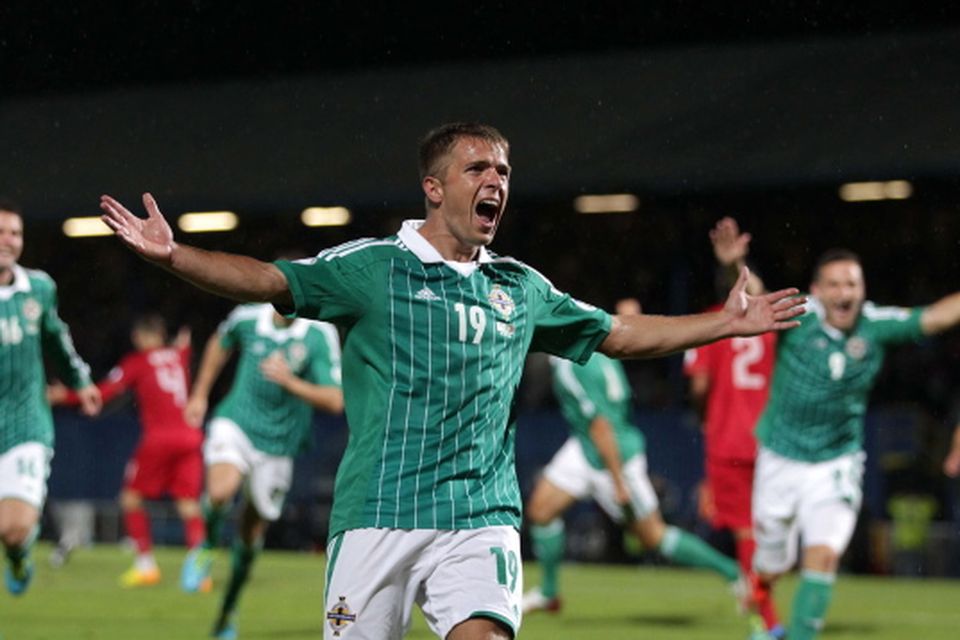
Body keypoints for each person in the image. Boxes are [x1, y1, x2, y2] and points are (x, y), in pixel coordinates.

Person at [99, 122, 803, 640]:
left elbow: (614, 336)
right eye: (476, 168)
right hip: (377, 511)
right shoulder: (372, 268)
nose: (495, 179)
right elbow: (270, 280)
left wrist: (723, 323)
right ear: (434, 189)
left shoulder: (520, 287)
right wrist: (174, 256)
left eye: (502, 168)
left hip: (479, 517)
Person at [746, 241, 960, 640]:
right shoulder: (799, 316)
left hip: (836, 462)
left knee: (824, 555)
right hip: (780, 456)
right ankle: (761, 594)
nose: (844, 294)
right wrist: (732, 267)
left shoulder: (874, 323)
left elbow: (933, 317)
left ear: (863, 290)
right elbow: (754, 295)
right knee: (772, 563)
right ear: (817, 289)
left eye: (852, 285)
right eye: (835, 285)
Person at [522, 297, 753, 627]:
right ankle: (549, 592)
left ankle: (733, 572)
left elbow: (601, 426)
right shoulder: (592, 344)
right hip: (585, 446)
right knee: (541, 512)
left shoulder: (574, 366)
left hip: (611, 454)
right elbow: (620, 333)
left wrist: (618, 483)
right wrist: (630, 315)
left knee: (654, 537)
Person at [180, 302, 343, 640]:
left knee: (250, 533)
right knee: (220, 492)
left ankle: (228, 610)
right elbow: (219, 343)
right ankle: (207, 545)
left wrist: (290, 382)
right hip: (237, 423)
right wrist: (199, 394)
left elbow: (334, 400)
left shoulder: (318, 334)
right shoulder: (247, 318)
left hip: (279, 445)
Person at [48, 314, 204, 587]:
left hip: (160, 439)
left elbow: (107, 391)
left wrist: (67, 397)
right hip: (191, 437)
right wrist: (184, 347)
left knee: (131, 499)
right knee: (189, 504)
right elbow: (183, 352)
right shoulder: (177, 357)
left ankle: (146, 566)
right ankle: (199, 572)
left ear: (140, 337)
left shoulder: (138, 362)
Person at [683, 218, 783, 638]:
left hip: (727, 437)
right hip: (773, 438)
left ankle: (767, 622)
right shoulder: (768, 319)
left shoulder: (709, 324)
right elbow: (755, 291)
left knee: (746, 532)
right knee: (772, 531)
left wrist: (703, 413)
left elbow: (700, 384)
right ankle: (767, 610)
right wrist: (739, 262)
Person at [0, 198, 101, 597]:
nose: (7, 240)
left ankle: (20, 551)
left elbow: (56, 340)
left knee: (14, 528)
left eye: (14, 233)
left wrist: (81, 382)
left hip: (26, 421)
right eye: (0, 233)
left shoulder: (38, 289)